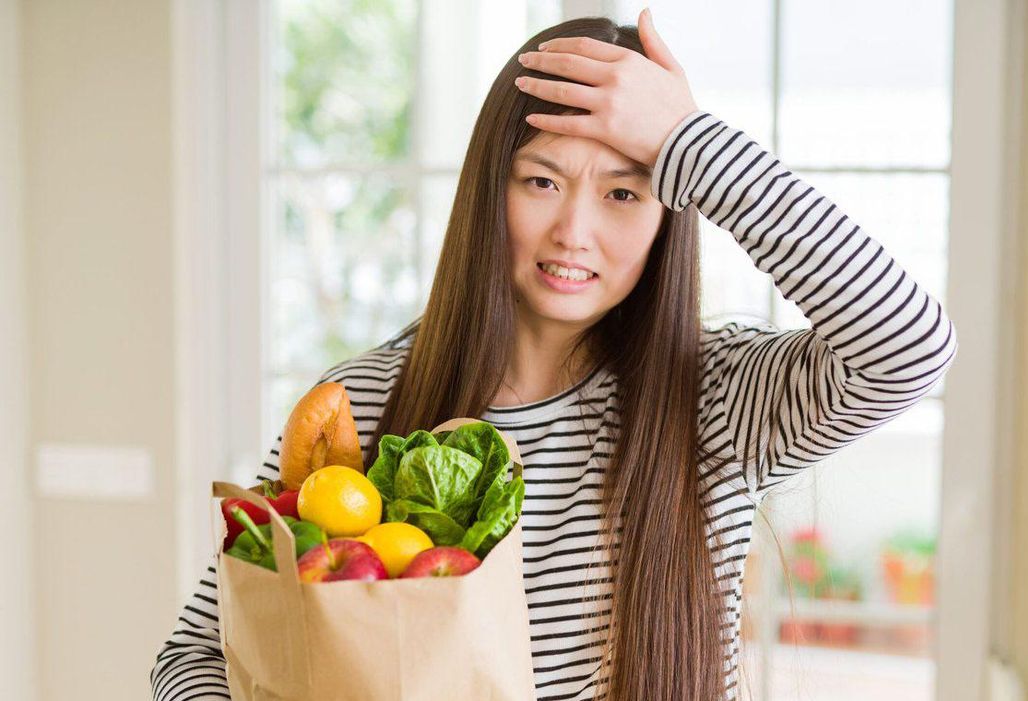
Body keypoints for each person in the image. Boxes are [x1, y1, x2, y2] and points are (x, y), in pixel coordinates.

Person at [150, 9, 958, 701]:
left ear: (669, 209)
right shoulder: (358, 406)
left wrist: (689, 142)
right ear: (487, 190)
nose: (574, 231)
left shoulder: (715, 399)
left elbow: (909, 346)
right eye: (540, 181)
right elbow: (197, 653)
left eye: (623, 192)